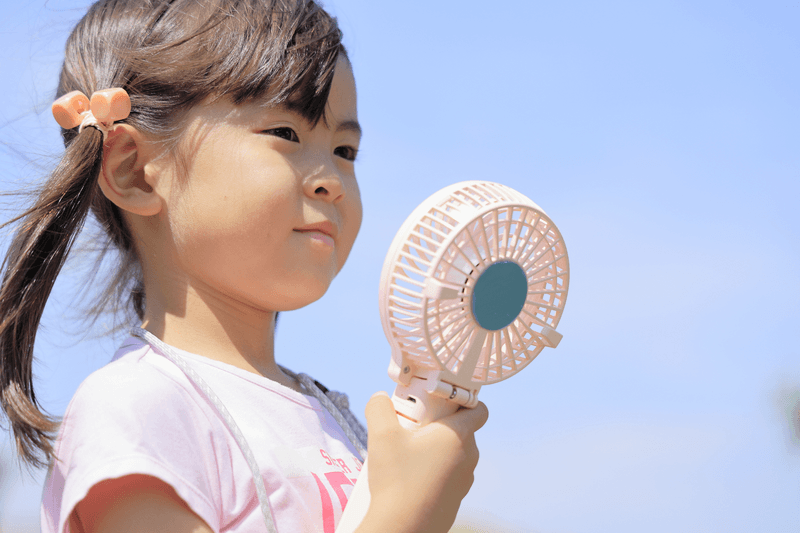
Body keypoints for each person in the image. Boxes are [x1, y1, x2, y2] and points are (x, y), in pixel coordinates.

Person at [0, 0, 488, 532]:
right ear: (136, 172)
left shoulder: (332, 416)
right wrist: (406, 516)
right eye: (285, 134)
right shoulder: (136, 411)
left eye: (345, 150)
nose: (331, 178)